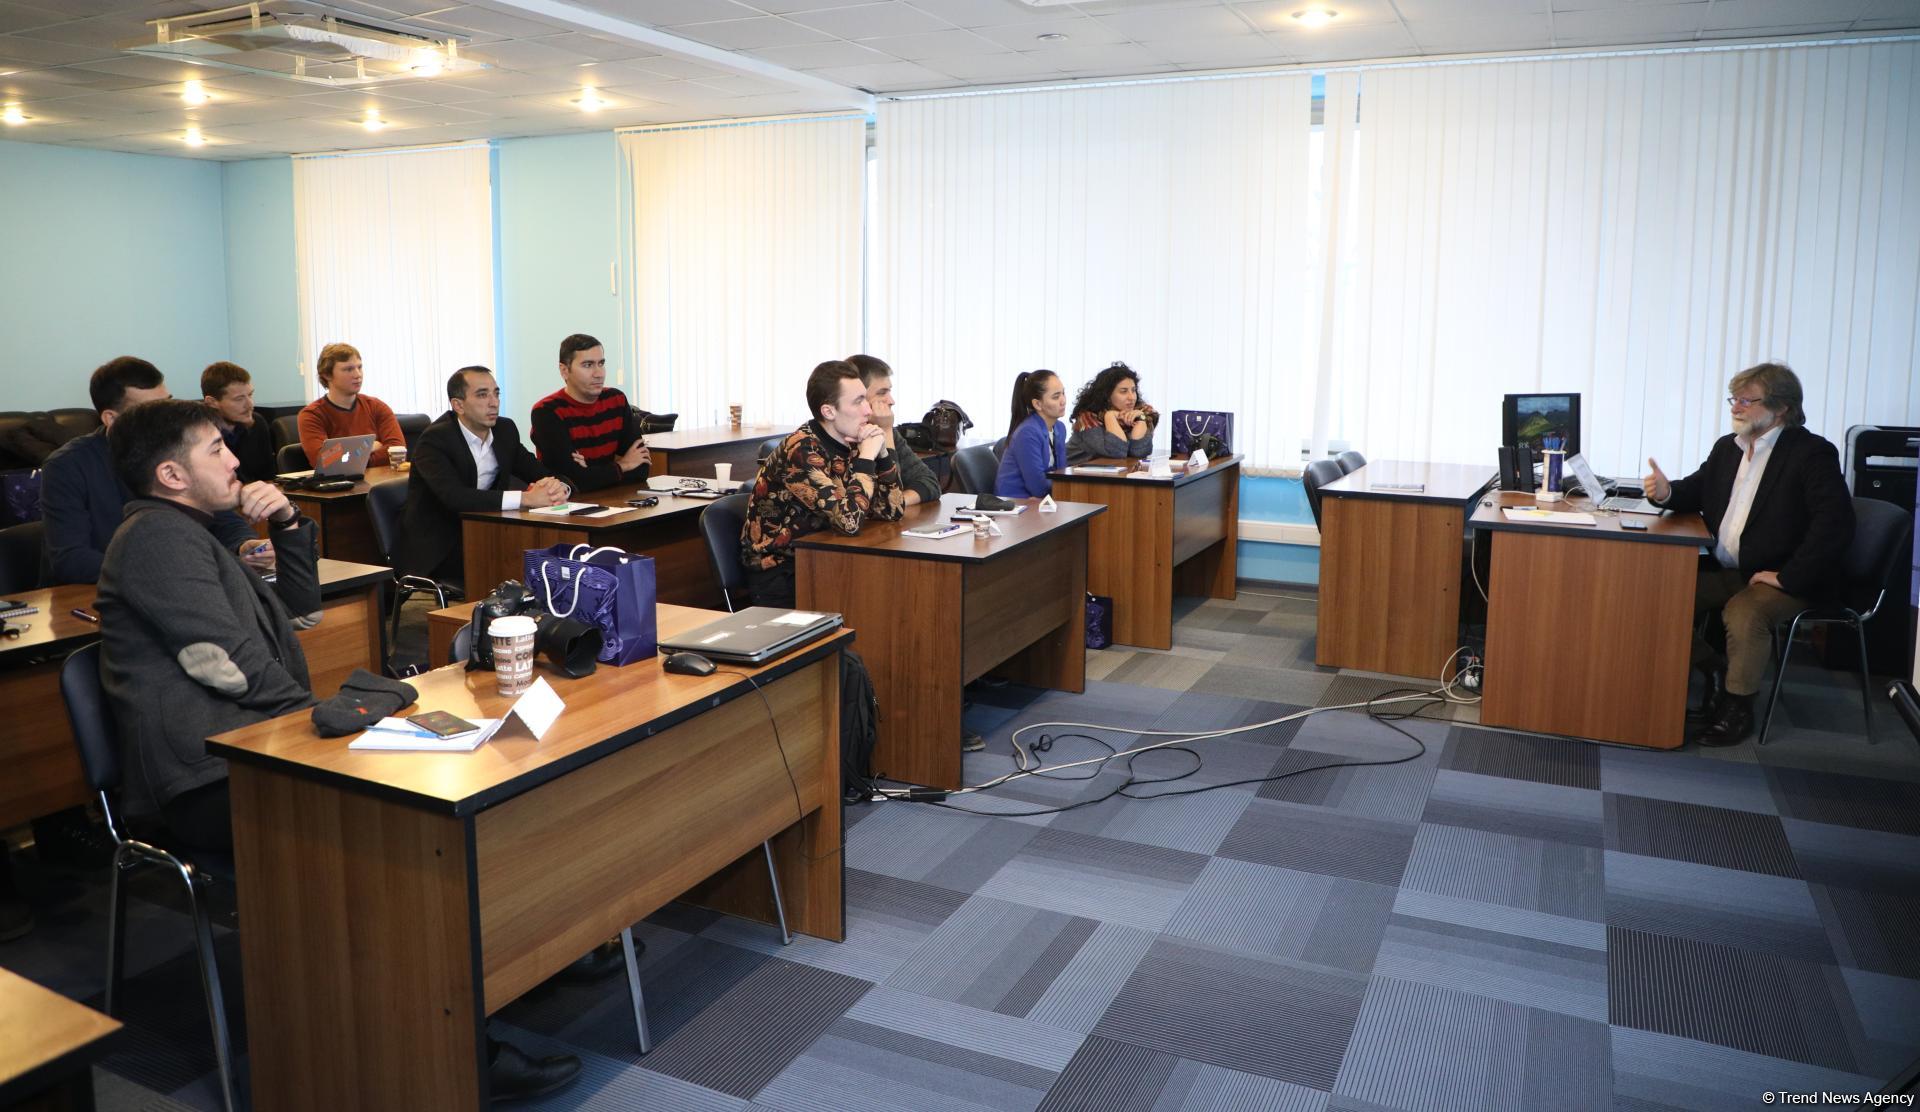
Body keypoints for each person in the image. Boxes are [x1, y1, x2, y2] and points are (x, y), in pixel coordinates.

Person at [94, 399, 582, 1100]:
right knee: (401, 840)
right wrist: (331, 719)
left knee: (457, 776)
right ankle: (450, 1048)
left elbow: (301, 611)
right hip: (208, 779)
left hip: (260, 745)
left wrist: (289, 522)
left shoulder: (195, 530)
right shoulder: (155, 542)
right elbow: (226, 667)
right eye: (215, 452)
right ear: (171, 473)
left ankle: (521, 963)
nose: (237, 460)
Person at [1642, 362, 1854, 746]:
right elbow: (1695, 490)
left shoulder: (1811, 454)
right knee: (1656, 595)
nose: (1736, 408)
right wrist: (1666, 492)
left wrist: (1788, 577)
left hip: (1785, 575)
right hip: (1731, 569)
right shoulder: (1729, 448)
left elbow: (1834, 525)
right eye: (1733, 399)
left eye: (1746, 400)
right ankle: (1715, 670)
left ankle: (1737, 709)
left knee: (1744, 613)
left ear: (1781, 408)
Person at [41, 356, 269, 586]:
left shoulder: (175, 448)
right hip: (99, 595)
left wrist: (243, 545)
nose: (165, 417)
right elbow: (71, 559)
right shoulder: (67, 466)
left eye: (167, 403)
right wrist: (172, 571)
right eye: (150, 409)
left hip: (180, 585)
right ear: (112, 418)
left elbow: (220, 514)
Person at [741, 360, 907, 609]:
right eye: (858, 401)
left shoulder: (851, 439)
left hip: (827, 558)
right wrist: (866, 459)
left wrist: (882, 455)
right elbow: (849, 523)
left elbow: (892, 511)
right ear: (829, 412)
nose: (868, 410)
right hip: (783, 575)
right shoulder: (802, 450)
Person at [395, 367, 569, 588]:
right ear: (458, 405)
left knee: (550, 548)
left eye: (496, 393)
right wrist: (526, 499)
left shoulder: (505, 429)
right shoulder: (435, 440)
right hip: (438, 543)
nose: (493, 402)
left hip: (486, 530)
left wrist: (558, 486)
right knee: (520, 557)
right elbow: (455, 498)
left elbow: (536, 470)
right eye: (482, 395)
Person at [530, 333, 651, 492]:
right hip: (568, 507)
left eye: (601, 363)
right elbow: (572, 481)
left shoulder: (616, 400)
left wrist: (591, 472)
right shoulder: (547, 412)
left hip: (614, 500)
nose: (598, 373)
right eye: (588, 365)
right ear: (564, 370)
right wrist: (623, 464)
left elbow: (641, 469)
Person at [847, 353, 940, 505]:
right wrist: (891, 504)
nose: (891, 401)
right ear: (858, 396)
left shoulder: (885, 429)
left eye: (889, 391)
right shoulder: (842, 437)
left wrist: (897, 503)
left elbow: (930, 482)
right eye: (882, 393)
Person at [296, 342, 405, 468]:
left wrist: (353, 459)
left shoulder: (376, 406)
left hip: (380, 483)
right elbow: (324, 462)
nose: (358, 375)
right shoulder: (312, 415)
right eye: (348, 369)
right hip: (341, 486)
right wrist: (369, 446)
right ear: (327, 375)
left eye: (359, 367)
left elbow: (398, 452)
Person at [993, 369, 1068, 499]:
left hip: (1041, 501)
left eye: (1063, 393)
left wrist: (1066, 485)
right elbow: (1038, 488)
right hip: (1016, 504)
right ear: (1037, 404)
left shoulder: (1060, 428)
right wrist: (1064, 485)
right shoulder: (1027, 433)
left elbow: (1061, 473)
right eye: (1056, 397)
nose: (1063, 401)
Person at [1066, 361, 1158, 465]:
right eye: (1123, 391)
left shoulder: (1143, 412)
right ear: (1107, 395)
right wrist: (1109, 416)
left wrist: (1141, 418)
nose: (1131, 397)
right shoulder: (1088, 419)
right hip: (1069, 476)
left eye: (1133, 390)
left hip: (1106, 475)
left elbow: (1139, 452)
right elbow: (1117, 451)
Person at [201, 361, 276, 483]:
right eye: (239, 399)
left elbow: (268, 478)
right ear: (212, 402)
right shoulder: (198, 433)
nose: (250, 405)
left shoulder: (257, 423)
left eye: (250, 395)